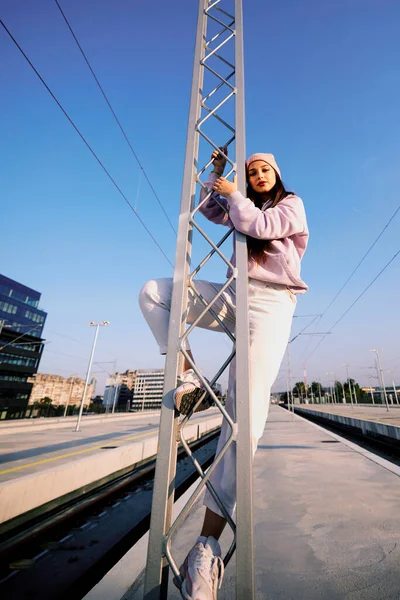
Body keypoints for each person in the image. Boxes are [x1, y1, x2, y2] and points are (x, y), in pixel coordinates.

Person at [139, 148, 309, 600]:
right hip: (234, 296)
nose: (256, 175)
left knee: (245, 420)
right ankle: (191, 376)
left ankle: (206, 545)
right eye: (250, 171)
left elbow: (262, 226)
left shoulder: (290, 206)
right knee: (156, 293)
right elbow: (207, 208)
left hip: (271, 304)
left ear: (276, 174)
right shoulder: (238, 201)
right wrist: (216, 174)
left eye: (263, 170)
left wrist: (235, 193)